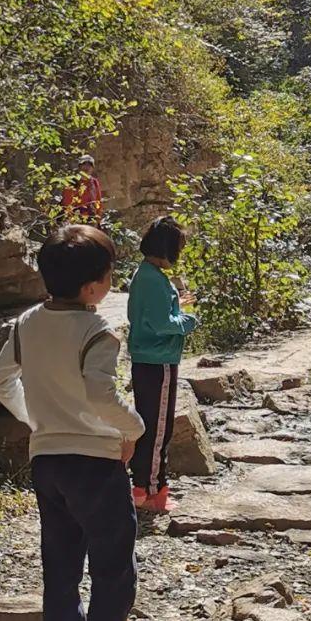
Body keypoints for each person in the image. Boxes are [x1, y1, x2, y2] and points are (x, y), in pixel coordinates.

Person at [0, 222, 149, 621]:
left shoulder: (26, 323)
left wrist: (36, 420)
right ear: (93, 287)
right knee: (113, 574)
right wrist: (134, 427)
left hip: (48, 462)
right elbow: (101, 395)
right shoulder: (98, 330)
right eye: (107, 276)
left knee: (60, 567)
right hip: (95, 465)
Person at [126, 215, 198, 514]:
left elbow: (151, 313)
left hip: (147, 359)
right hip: (159, 361)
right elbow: (160, 323)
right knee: (159, 430)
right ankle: (153, 492)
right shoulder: (154, 279)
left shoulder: (145, 274)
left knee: (148, 424)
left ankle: (142, 488)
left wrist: (177, 304)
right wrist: (188, 320)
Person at [61, 154, 103, 223]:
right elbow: (66, 202)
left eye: (89, 165)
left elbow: (98, 201)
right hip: (75, 218)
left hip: (91, 218)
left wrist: (98, 219)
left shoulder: (94, 182)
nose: (87, 167)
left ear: (92, 168)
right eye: (84, 164)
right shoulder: (72, 181)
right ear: (79, 166)